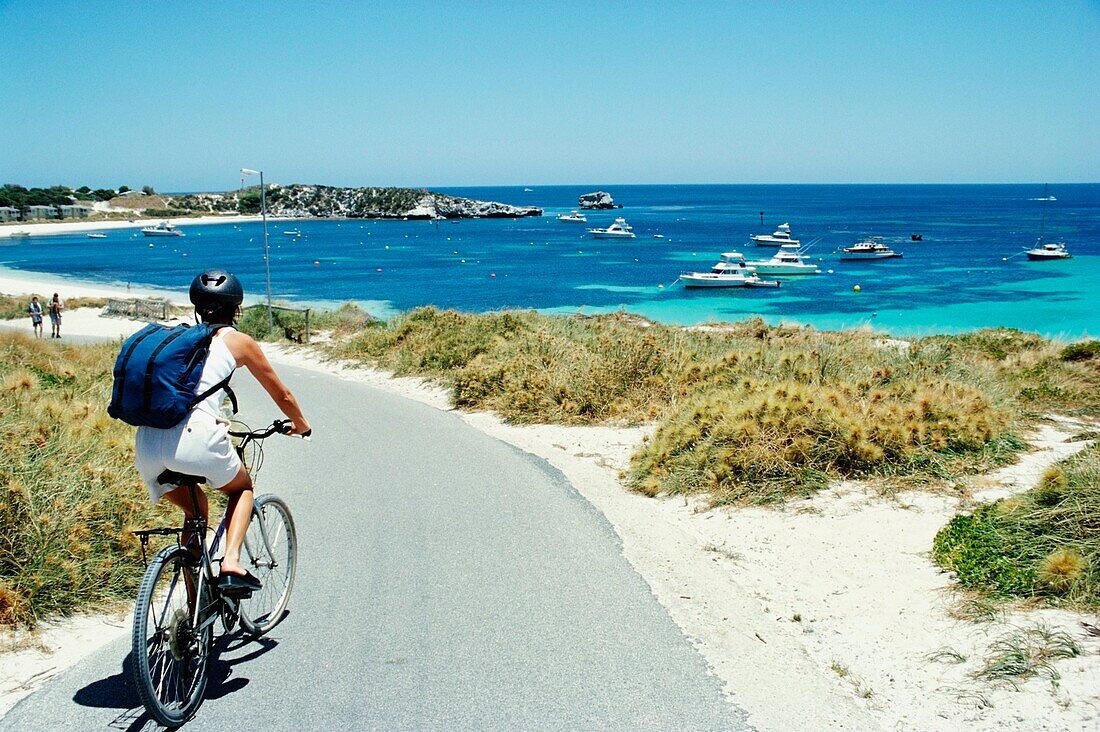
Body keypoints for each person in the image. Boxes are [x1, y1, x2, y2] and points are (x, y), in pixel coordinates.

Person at [133, 270, 311, 593]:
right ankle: (231, 560)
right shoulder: (237, 341)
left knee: (197, 509)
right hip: (193, 440)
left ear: (198, 309)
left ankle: (192, 613)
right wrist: (301, 425)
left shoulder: (180, 339)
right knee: (242, 488)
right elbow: (282, 395)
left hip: (146, 444)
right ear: (236, 309)